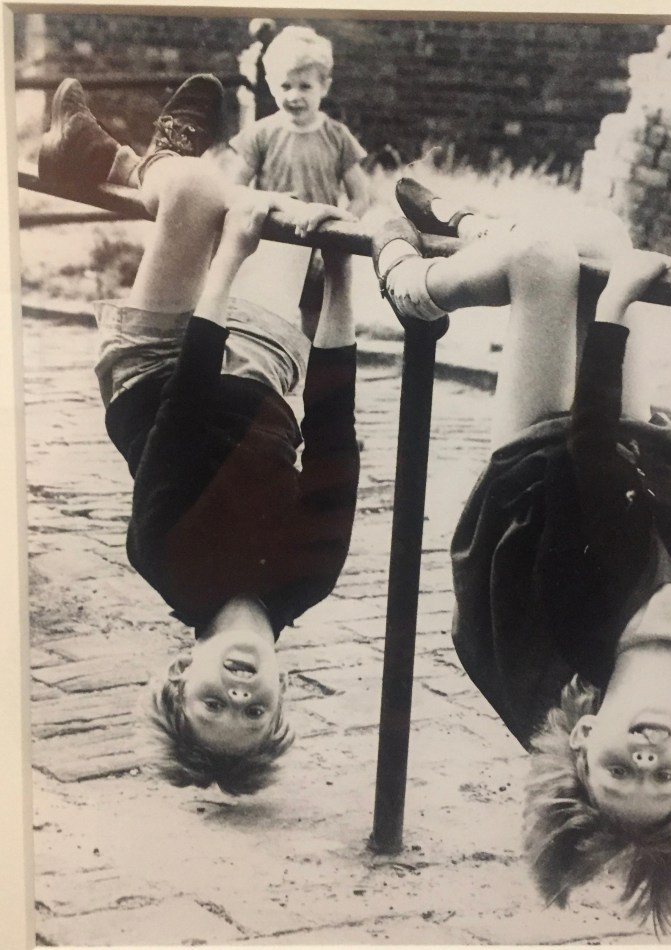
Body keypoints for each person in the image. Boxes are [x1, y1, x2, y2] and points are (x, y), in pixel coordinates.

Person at [372, 179, 671, 929]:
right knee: (606, 240)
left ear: (585, 741)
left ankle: (413, 286)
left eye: (622, 770)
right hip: (640, 459)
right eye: (665, 774)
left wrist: (616, 311)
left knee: (546, 263)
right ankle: (472, 221)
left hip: (534, 476)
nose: (646, 755)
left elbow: (580, 458)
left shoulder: (575, 626)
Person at [38, 74, 361, 796]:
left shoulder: (165, 558)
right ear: (284, 696)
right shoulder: (311, 576)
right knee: (288, 212)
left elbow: (184, 410)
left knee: (201, 200)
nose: (239, 691)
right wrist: (339, 272)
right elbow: (335, 431)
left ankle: (131, 160)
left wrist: (230, 259)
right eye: (254, 710)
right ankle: (140, 158)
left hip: (157, 372)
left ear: (181, 674)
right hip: (267, 366)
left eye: (214, 704)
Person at [220, 24, 371, 340]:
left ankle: (311, 378)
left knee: (316, 322)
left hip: (319, 245)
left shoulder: (337, 136)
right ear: (272, 86)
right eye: (284, 86)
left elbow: (360, 196)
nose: (294, 96)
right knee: (264, 318)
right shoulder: (262, 134)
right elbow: (233, 187)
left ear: (324, 86)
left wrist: (338, 232)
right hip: (272, 243)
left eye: (304, 86)